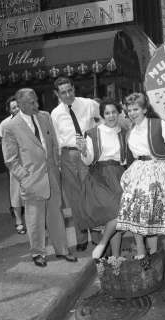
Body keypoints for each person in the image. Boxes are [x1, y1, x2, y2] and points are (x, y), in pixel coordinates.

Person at [1, 88, 77, 267]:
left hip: (51, 175)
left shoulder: (44, 116)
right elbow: (10, 160)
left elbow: (53, 143)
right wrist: (25, 179)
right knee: (35, 218)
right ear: (19, 105)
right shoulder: (10, 127)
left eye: (36, 101)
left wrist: (57, 166)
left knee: (56, 215)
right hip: (31, 180)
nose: (36, 105)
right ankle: (37, 253)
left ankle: (62, 250)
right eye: (31, 103)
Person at [116, 92, 165, 259]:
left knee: (151, 214)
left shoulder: (158, 124)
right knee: (136, 211)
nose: (132, 113)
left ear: (144, 110)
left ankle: (154, 252)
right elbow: (128, 155)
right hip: (138, 171)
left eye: (136, 109)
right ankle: (141, 251)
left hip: (157, 170)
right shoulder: (130, 131)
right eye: (130, 110)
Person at [51, 77, 101, 252]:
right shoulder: (55, 114)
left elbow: (101, 121)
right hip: (68, 156)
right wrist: (58, 164)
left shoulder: (89, 104)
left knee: (90, 195)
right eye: (63, 92)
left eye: (70, 90)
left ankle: (96, 235)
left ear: (74, 88)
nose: (67, 95)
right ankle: (81, 237)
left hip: (87, 153)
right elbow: (56, 141)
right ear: (57, 94)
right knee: (75, 198)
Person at [76, 98, 126, 258]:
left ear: (119, 113)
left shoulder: (123, 132)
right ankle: (104, 245)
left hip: (119, 174)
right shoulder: (93, 133)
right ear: (102, 115)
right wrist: (83, 151)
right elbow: (88, 160)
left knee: (116, 217)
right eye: (107, 113)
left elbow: (126, 158)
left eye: (113, 112)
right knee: (115, 213)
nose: (111, 116)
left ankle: (115, 257)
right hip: (100, 176)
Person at [0, 96, 25, 234]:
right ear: (9, 110)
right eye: (13, 107)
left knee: (33, 193)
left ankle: (36, 220)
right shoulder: (5, 124)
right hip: (14, 163)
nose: (17, 109)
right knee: (16, 194)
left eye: (18, 106)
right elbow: (5, 147)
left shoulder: (28, 120)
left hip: (30, 163)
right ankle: (19, 221)